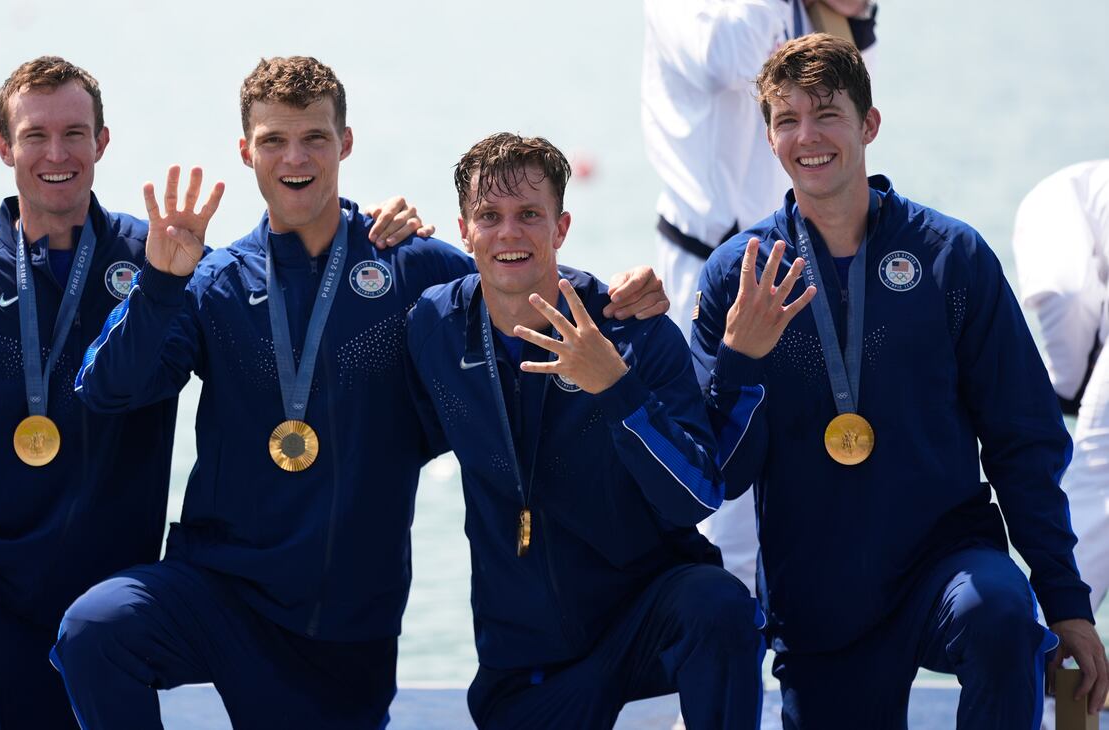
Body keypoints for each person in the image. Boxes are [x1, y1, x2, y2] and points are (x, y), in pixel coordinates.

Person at [50, 57, 668, 728]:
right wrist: (161, 283)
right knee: (95, 630)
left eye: (315, 137)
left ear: (345, 143)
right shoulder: (214, 283)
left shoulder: (406, 262)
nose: (296, 158)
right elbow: (105, 389)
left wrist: (617, 295)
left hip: (346, 628)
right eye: (274, 141)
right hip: (223, 594)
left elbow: (515, 280)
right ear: (245, 152)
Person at [0, 56, 429, 730]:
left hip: (91, 581)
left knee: (92, 641)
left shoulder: (166, 260)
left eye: (75, 133)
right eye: (34, 136)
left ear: (102, 142)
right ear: (3, 149)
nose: (56, 153)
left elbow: (287, 283)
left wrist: (373, 224)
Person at [689, 35, 1108, 727]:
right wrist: (740, 362)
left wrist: (1065, 602)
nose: (808, 136)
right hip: (817, 595)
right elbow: (719, 477)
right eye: (787, 120)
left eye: (826, 114)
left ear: (869, 124)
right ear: (768, 136)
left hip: (946, 565)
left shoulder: (951, 257)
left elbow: (1023, 442)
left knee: (1004, 619)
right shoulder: (738, 278)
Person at [405, 133, 811, 728]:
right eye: (489, 217)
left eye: (529, 216)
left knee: (721, 606)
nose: (509, 233)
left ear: (561, 227)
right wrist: (375, 219)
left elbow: (699, 495)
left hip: (642, 619)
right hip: (525, 662)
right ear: (463, 230)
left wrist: (618, 390)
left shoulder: (632, 332)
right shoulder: (435, 326)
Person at [641, 0, 877, 594]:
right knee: (723, 506)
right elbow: (733, 59)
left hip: (813, 275)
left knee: (824, 481)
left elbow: (855, 92)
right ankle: (725, 675)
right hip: (709, 271)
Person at [1014, 160, 1109, 614]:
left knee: (1096, 490)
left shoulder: (1046, 200)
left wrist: (1067, 385)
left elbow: (1064, 294)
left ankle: (1052, 672)